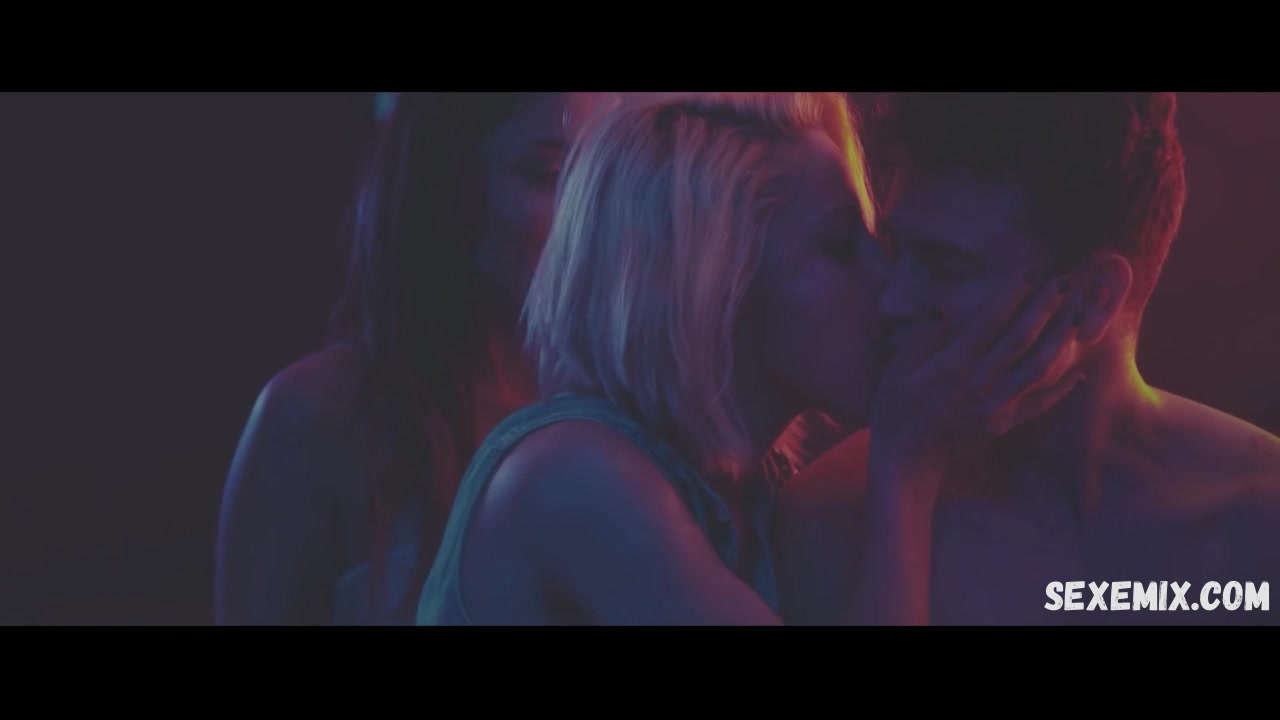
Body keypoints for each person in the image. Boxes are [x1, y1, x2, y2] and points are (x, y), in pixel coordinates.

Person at [415, 92, 1080, 625]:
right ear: (710, 288)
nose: (890, 287)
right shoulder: (576, 474)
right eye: (839, 247)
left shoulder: (749, 488)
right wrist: (908, 466)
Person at [777, 92, 1280, 626]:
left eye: (947, 267)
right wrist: (903, 480)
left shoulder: (1258, 521)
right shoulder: (839, 515)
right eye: (896, 252)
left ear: (1093, 298)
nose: (892, 301)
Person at [215, 92, 617, 625]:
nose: (589, 212)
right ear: (445, 185)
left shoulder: (626, 408)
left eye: (604, 176)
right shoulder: (316, 417)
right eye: (548, 175)